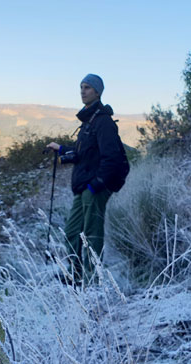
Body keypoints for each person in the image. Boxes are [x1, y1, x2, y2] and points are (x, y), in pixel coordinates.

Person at [47, 74, 128, 285]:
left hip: (93, 188)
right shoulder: (88, 121)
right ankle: (76, 276)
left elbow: (112, 158)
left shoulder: (103, 122)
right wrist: (62, 150)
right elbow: (86, 153)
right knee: (72, 233)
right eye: (81, 87)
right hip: (84, 187)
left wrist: (96, 185)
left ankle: (93, 282)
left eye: (88, 87)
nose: (83, 91)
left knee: (92, 235)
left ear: (98, 92)